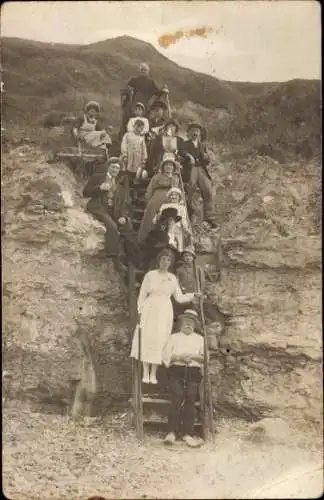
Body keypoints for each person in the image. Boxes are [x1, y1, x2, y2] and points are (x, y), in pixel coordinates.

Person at [130, 248, 201, 385]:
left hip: (164, 310)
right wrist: (140, 311)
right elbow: (142, 294)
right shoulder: (150, 275)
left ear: (171, 262)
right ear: (159, 260)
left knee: (159, 339)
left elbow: (179, 298)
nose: (165, 262)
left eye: (168, 260)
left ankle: (153, 373)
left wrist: (193, 295)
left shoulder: (172, 278)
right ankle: (145, 373)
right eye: (163, 259)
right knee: (148, 338)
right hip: (150, 308)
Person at [162, 309, 205, 447]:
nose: (188, 325)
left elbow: (204, 358)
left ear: (195, 325)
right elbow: (166, 357)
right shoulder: (173, 337)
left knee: (191, 397)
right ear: (181, 323)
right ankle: (171, 432)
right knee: (177, 395)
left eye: (191, 323)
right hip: (176, 371)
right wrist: (179, 357)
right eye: (186, 322)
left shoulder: (200, 339)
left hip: (193, 371)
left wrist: (192, 356)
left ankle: (187, 433)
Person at [83, 157, 124, 257]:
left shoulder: (119, 183)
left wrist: (123, 216)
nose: (115, 170)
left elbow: (122, 202)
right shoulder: (98, 177)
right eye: (113, 167)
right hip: (98, 207)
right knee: (113, 227)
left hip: (112, 210)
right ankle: (112, 256)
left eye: (117, 168)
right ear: (108, 167)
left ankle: (123, 258)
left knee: (127, 230)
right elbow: (85, 193)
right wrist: (99, 188)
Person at [180, 123, 218, 228]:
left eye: (197, 131)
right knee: (190, 189)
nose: (195, 133)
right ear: (189, 133)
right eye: (193, 131)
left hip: (201, 169)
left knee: (208, 190)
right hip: (190, 169)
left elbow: (206, 161)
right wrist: (189, 156)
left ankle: (209, 217)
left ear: (200, 133)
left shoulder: (202, 145)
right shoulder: (185, 143)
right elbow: (181, 151)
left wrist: (206, 158)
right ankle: (188, 214)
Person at [137, 155, 180, 244]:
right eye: (166, 165)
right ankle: (145, 242)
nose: (168, 167)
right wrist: (148, 202)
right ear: (163, 167)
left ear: (173, 168)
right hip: (155, 202)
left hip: (169, 203)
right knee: (151, 221)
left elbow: (178, 192)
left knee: (166, 222)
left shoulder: (175, 179)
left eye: (171, 165)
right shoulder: (156, 177)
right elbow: (149, 190)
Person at [174, 247, 205, 318]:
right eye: (185, 256)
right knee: (183, 316)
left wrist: (201, 293)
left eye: (189, 256)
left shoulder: (198, 269)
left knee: (194, 315)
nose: (188, 258)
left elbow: (202, 283)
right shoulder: (179, 270)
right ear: (183, 258)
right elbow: (176, 285)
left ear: (193, 257)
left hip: (196, 296)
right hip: (183, 296)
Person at [121, 118, 148, 183]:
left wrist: (144, 158)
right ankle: (126, 181)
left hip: (138, 156)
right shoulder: (127, 135)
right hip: (129, 155)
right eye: (137, 126)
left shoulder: (141, 138)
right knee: (127, 169)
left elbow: (144, 148)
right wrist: (125, 154)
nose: (138, 129)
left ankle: (135, 183)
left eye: (141, 128)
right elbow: (124, 144)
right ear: (134, 126)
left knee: (137, 170)